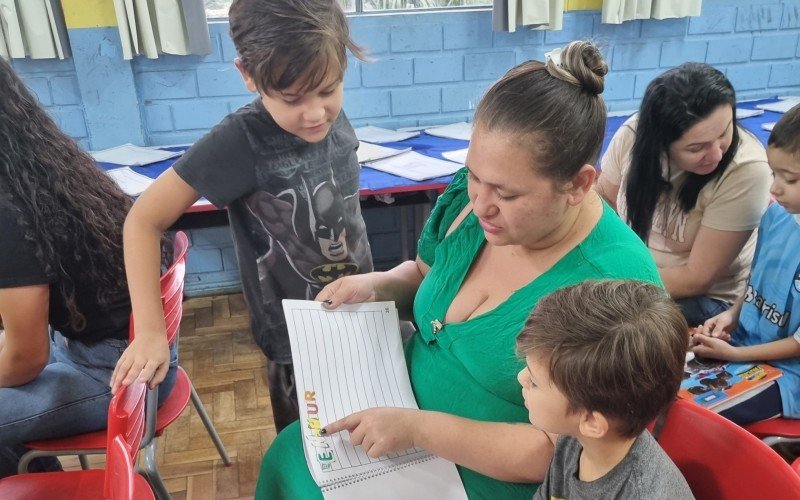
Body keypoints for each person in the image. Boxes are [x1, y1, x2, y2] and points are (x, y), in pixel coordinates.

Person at [256, 40, 662, 499]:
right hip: (399, 419)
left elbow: (563, 451)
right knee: (291, 454)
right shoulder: (476, 197)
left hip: (488, 477)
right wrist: (376, 287)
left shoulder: (614, 287)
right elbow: (428, 277)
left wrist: (419, 430)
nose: (481, 204)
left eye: (507, 195)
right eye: (473, 176)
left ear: (579, 184)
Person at [114, 0, 373, 432]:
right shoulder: (240, 140)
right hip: (296, 341)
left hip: (361, 311)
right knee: (314, 453)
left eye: (328, 90)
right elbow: (142, 221)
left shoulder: (328, 116)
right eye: (292, 99)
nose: (314, 113)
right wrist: (150, 331)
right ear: (247, 75)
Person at [0, 58, 176, 478]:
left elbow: (26, 358)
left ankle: (33, 483)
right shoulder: (38, 162)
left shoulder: (8, 207)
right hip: (121, 353)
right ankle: (37, 478)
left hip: (117, 375)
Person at [597, 63, 772, 327]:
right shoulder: (635, 135)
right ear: (660, 145)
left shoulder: (746, 170)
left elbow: (697, 278)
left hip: (706, 298)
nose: (716, 154)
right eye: (696, 148)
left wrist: (608, 284)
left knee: (602, 328)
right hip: (632, 271)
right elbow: (602, 200)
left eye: (725, 132)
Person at [518, 280, 694, 500]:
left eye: (534, 382)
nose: (521, 377)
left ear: (592, 422)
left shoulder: (645, 493)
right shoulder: (573, 440)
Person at [692, 104, 800, 425]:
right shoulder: (776, 214)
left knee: (696, 421)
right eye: (774, 173)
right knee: (652, 388)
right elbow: (757, 280)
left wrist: (735, 356)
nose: (774, 188)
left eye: (791, 179)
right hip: (744, 346)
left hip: (788, 376)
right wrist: (730, 316)